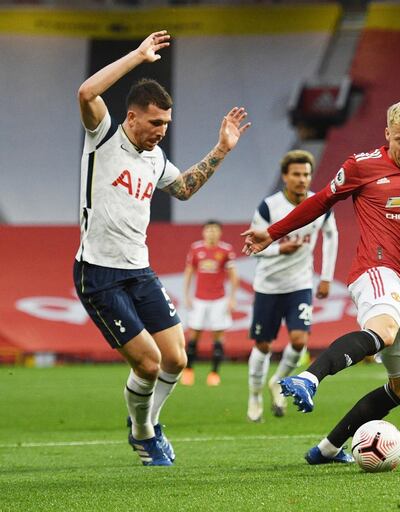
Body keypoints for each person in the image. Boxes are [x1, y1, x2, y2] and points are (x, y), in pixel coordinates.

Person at [242, 100, 400, 464]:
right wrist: (272, 232)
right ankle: (310, 378)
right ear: (387, 135)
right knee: (385, 330)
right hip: (374, 270)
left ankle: (328, 450)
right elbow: (320, 201)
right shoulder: (361, 167)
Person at [73, 30, 250, 466]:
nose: (161, 132)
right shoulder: (103, 137)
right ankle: (143, 433)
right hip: (98, 274)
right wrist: (137, 56)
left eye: (167, 124)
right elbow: (86, 91)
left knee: (176, 357)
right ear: (131, 117)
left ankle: (147, 425)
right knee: (149, 364)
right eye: (155, 123)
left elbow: (185, 188)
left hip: (140, 271)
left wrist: (222, 150)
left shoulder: (155, 160)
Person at [246, 150, 339, 422]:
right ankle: (254, 396)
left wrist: (327, 276)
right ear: (285, 177)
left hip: (300, 283)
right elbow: (253, 246)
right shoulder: (269, 207)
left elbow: (332, 235)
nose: (302, 179)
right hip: (269, 285)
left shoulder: (319, 204)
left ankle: (279, 380)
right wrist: (279, 250)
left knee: (299, 341)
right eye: (296, 174)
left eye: (306, 174)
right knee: (263, 345)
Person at [182, 220, 239, 387]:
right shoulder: (196, 248)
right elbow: (189, 272)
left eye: (215, 230)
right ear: (204, 232)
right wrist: (186, 295)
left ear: (220, 233)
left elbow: (234, 275)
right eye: (209, 230)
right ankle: (189, 370)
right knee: (194, 335)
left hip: (219, 300)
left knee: (218, 336)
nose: (212, 233)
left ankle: (214, 373)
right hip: (199, 299)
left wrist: (232, 298)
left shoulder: (226, 250)